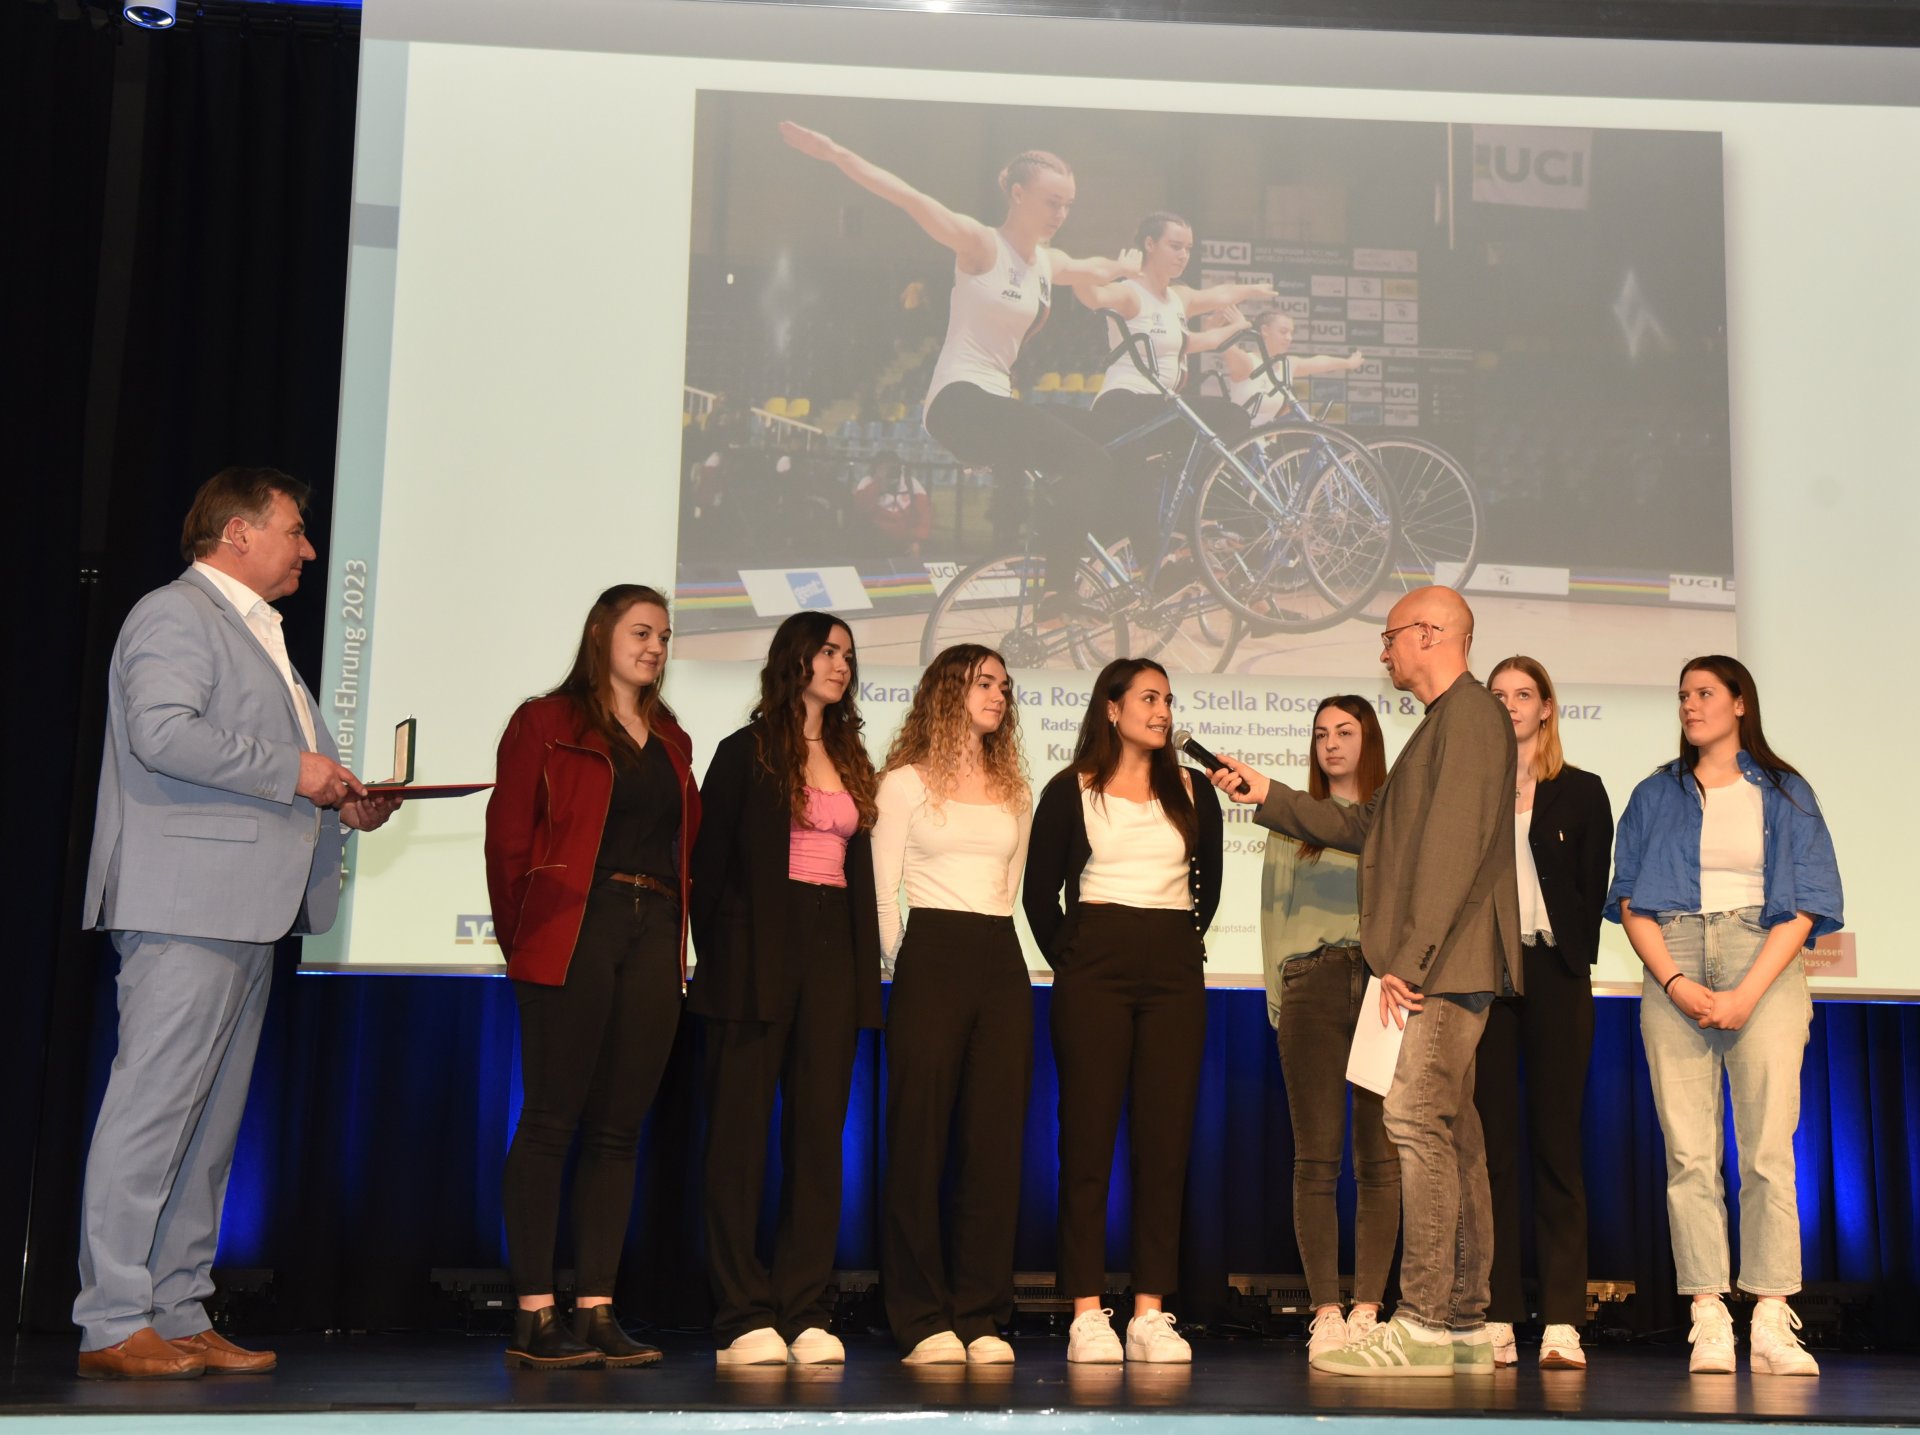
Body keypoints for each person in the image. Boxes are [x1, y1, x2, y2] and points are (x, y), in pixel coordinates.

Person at [75, 466, 400, 1379]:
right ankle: (110, 1319)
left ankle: (177, 1307)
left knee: (210, 1128)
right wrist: (299, 772)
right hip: (186, 902)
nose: (307, 548)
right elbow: (162, 732)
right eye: (294, 531)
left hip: (248, 909)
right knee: (152, 1112)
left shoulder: (264, 638)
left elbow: (286, 766)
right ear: (237, 533)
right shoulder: (175, 615)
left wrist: (346, 800)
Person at [1210, 585, 1520, 1378]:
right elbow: (1368, 826)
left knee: (1415, 1122)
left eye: (1388, 638)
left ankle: (1422, 1320)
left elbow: (1449, 852)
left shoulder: (1471, 716)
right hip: (1440, 963)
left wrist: (1406, 964)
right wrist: (1270, 795)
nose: (1382, 653)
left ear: (1428, 633)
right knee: (1453, 1135)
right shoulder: (1442, 726)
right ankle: (1461, 1326)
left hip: (1441, 966)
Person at [484, 585, 702, 1370]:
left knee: (618, 1130)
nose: (655, 647)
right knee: (550, 1122)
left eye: (665, 637)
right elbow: (509, 844)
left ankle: (597, 1309)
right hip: (572, 930)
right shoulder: (544, 722)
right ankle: (534, 1313)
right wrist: (529, 941)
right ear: (601, 633)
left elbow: (688, 847)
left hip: (651, 936)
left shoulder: (672, 738)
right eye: (642, 631)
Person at [1608, 655, 1840, 1378]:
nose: (1690, 703)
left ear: (1740, 702)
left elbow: (1805, 903)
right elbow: (1630, 903)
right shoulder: (1655, 792)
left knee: (1768, 1149)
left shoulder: (1785, 790)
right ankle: (1708, 1312)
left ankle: (1770, 1313)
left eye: (1705, 692)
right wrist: (1675, 980)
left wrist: (1746, 991)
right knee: (1689, 1153)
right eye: (1682, 694)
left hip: (1762, 956)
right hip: (1673, 955)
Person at [778, 122, 1130, 600]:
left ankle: (1075, 573)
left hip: (994, 404)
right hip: (959, 401)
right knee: (1088, 460)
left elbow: (1096, 268)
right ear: (1018, 194)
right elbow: (909, 197)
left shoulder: (1048, 263)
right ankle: (1058, 592)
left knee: (1105, 445)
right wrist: (837, 153)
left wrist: (1132, 267)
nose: (1061, 213)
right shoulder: (981, 244)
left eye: (1068, 204)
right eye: (1052, 202)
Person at [689, 611, 885, 1367]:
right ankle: (742, 1312)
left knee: (816, 1138)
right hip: (753, 956)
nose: (840, 663)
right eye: (827, 650)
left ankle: (805, 1305)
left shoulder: (849, 753)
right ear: (793, 658)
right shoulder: (746, 752)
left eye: (847, 653)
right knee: (739, 1139)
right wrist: (729, 956)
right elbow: (709, 874)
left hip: (833, 946)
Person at [1024, 659, 1224, 1365]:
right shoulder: (1069, 788)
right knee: (1086, 1141)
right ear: (1111, 708)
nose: (1162, 709)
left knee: (1164, 1146)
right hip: (1094, 969)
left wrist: (1170, 947)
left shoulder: (1195, 790)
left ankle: (1149, 1310)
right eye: (1148, 697)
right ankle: (1085, 1308)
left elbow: (1209, 890)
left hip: (1173, 968)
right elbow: (1038, 893)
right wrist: (1075, 958)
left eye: (1168, 698)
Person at [873, 645, 1034, 1366]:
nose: (998, 693)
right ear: (947, 692)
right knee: (919, 1140)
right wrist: (902, 961)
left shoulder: (1014, 789)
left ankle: (981, 1313)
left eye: (1003, 683)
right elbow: (882, 894)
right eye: (983, 682)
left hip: (999, 959)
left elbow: (1013, 889)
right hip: (930, 954)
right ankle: (919, 1316)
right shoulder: (904, 784)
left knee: (992, 1144)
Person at [1475, 656, 1613, 1370]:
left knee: (1557, 1148)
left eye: (1522, 694)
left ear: (1547, 708)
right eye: (1497, 695)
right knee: (1494, 1152)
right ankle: (1498, 1311)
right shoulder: (1474, 790)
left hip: (1557, 977)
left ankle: (1562, 1318)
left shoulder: (1580, 791)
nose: (1510, 704)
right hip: (1490, 982)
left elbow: (1591, 890)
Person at [1259, 696, 1398, 1362]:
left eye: (1344, 731)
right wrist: (1279, 997)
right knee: (1316, 1157)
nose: (1331, 743)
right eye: (1320, 733)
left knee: (1380, 1158)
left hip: (1381, 988)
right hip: (1309, 985)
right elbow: (1271, 913)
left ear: (1369, 739)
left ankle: (1370, 1306)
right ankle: (1326, 1310)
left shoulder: (1394, 817)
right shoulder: (1292, 821)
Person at [1073, 212, 1274, 572]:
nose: (1184, 255)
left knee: (1223, 425)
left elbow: (1218, 298)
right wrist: (1113, 269)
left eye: (1189, 249)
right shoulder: (1131, 292)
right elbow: (1088, 294)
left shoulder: (1177, 299)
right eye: (1175, 246)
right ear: (1149, 245)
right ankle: (1194, 508)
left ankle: (1188, 521)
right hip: (1123, 405)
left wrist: (1253, 291)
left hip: (1158, 406)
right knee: (1227, 417)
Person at [1220, 309, 1365, 425]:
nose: (1289, 338)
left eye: (1291, 333)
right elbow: (1225, 345)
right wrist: (1237, 326)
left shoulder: (1287, 364)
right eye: (1283, 332)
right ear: (1265, 330)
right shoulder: (1247, 362)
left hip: (1266, 450)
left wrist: (1348, 363)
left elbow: (1320, 361)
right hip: (1238, 448)